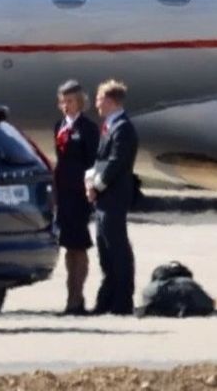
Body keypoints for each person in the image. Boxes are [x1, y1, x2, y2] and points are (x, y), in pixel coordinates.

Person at [85, 79, 139, 316]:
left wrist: (97, 185)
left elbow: (117, 162)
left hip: (114, 195)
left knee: (117, 248)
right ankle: (106, 299)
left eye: (98, 99)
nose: (96, 104)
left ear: (109, 100)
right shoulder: (109, 125)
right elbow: (100, 159)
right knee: (105, 249)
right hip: (103, 196)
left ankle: (122, 301)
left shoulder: (123, 128)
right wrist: (90, 180)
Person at [52, 80, 99, 315]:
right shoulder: (59, 126)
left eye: (70, 101)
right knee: (68, 245)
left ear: (80, 102)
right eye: (63, 101)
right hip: (63, 194)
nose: (66, 106)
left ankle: (77, 298)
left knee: (79, 245)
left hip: (79, 194)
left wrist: (90, 189)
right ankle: (70, 296)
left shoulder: (88, 128)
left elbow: (93, 162)